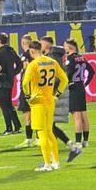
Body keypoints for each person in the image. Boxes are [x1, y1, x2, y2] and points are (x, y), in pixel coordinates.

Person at [21, 40, 68, 172]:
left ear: (31, 51)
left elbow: (25, 83)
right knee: (49, 132)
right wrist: (56, 94)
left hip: (38, 102)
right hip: (50, 101)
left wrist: (28, 97)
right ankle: (56, 162)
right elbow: (64, 79)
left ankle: (47, 164)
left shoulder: (33, 64)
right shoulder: (52, 62)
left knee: (41, 133)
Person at [64, 39, 96, 153]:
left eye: (65, 46)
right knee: (84, 114)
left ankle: (78, 142)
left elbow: (68, 74)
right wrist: (85, 83)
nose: (65, 48)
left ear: (70, 47)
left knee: (76, 116)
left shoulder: (70, 59)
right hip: (81, 87)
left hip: (73, 88)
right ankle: (85, 140)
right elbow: (92, 72)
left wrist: (66, 84)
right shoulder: (82, 58)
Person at [0, 33, 23, 135]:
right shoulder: (11, 50)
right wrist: (13, 73)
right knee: (9, 105)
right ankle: (17, 126)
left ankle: (9, 128)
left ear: (0, 41)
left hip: (1, 81)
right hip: (10, 80)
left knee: (4, 106)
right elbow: (20, 63)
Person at [13, 35, 36, 148]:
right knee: (35, 112)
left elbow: (26, 68)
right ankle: (38, 138)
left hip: (27, 86)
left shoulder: (25, 55)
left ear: (23, 43)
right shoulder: (36, 55)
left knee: (27, 113)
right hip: (36, 87)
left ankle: (28, 139)